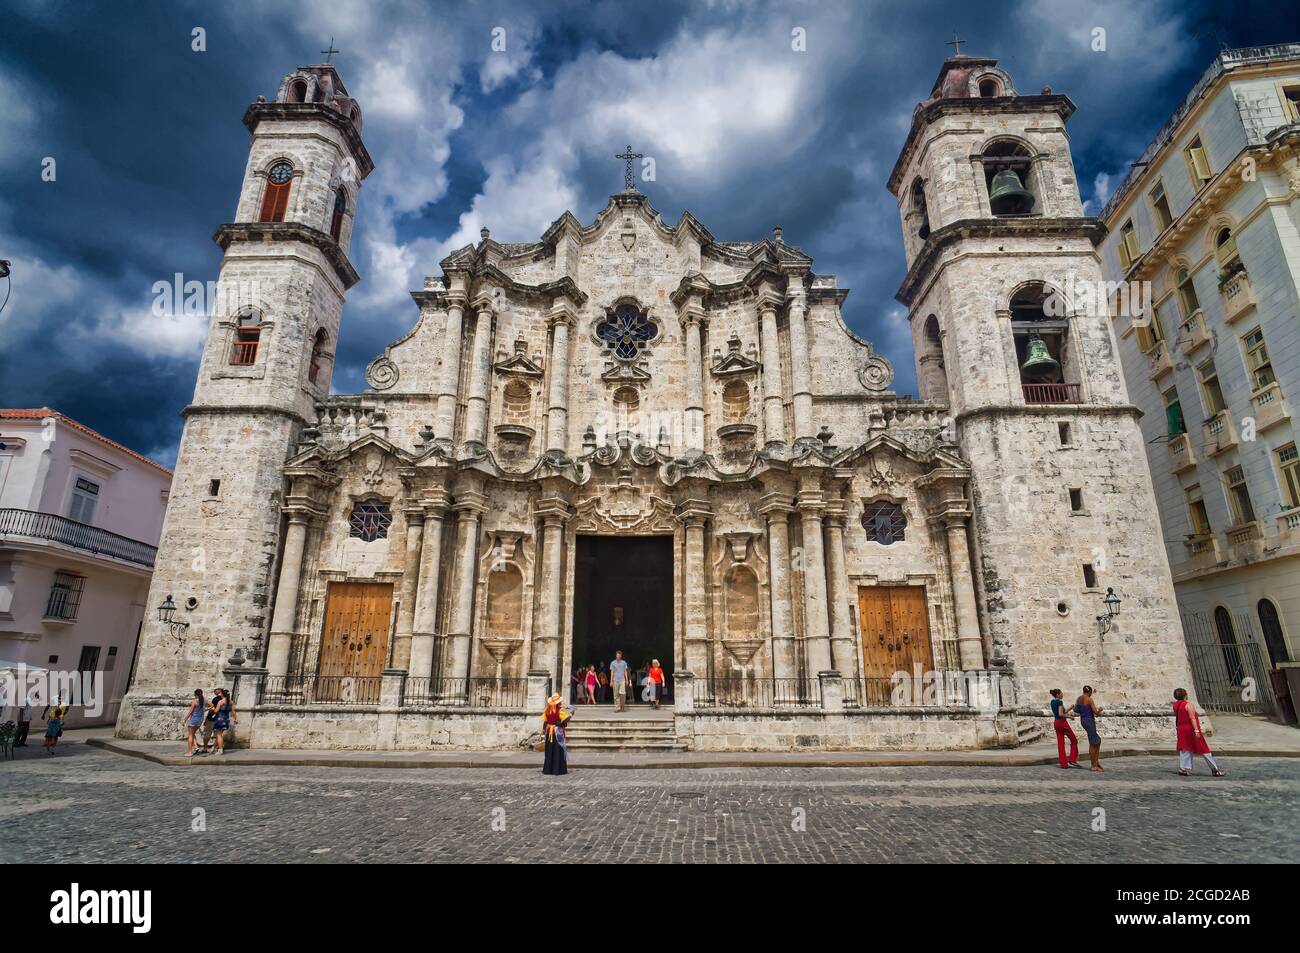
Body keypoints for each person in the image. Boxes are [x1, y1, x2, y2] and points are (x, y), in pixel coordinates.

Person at [1173, 688, 1226, 777]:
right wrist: (1196, 730)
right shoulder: (1188, 705)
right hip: (1190, 729)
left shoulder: (1175, 705)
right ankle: (1214, 769)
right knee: (1204, 749)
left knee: (1185, 749)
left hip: (1181, 729)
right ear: (1185, 695)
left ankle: (1183, 768)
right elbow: (1192, 718)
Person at [541, 692, 571, 776]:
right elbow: (565, 720)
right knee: (558, 749)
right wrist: (570, 715)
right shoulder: (561, 710)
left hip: (549, 732)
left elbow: (545, 722)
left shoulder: (547, 710)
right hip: (557, 731)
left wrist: (543, 731)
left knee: (549, 750)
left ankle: (548, 769)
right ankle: (558, 769)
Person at [1049, 689, 1080, 769]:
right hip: (1062, 723)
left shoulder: (1052, 702)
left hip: (1056, 723)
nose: (1062, 694)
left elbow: (1060, 712)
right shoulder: (1059, 702)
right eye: (1061, 693)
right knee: (1074, 740)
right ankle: (1073, 759)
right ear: (1058, 694)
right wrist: (1070, 717)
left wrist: (1069, 708)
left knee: (1060, 744)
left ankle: (1064, 764)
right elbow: (1060, 714)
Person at [1076, 685, 1103, 771]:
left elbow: (1076, 710)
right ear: (1089, 692)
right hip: (1089, 721)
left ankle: (1096, 761)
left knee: (1097, 741)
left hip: (1083, 721)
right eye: (1091, 693)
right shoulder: (1089, 699)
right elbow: (1096, 712)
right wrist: (1100, 710)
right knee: (1093, 743)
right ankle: (1093, 765)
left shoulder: (1078, 699)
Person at [182, 689, 207, 756]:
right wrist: (206, 709)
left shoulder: (195, 701)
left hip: (193, 720)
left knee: (190, 735)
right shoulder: (204, 700)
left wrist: (184, 719)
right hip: (200, 720)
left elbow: (190, 712)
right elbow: (212, 705)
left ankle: (190, 752)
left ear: (195, 694)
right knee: (193, 734)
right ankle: (195, 747)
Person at [210, 688, 233, 755]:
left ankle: (220, 749)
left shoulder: (220, 702)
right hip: (226, 719)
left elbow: (216, 711)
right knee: (219, 735)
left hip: (219, 719)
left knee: (219, 735)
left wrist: (212, 710)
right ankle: (214, 747)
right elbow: (232, 711)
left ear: (222, 694)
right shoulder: (231, 702)